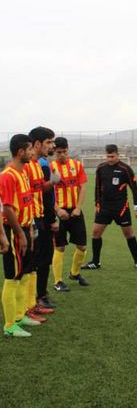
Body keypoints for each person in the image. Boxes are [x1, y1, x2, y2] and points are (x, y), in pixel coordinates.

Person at [82, 144, 137, 271]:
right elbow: (97, 187)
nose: (110, 159)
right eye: (108, 156)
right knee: (95, 233)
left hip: (121, 207)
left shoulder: (125, 169)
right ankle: (95, 262)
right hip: (104, 207)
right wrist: (97, 204)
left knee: (128, 234)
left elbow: (134, 188)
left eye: (112, 156)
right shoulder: (101, 168)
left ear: (118, 155)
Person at [0, 134, 39, 337]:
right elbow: (7, 208)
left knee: (24, 273)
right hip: (13, 230)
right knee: (12, 276)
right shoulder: (8, 175)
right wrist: (19, 234)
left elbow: (26, 202)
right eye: (30, 149)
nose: (32, 152)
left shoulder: (23, 172)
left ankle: (19, 314)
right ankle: (9, 326)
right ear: (21, 152)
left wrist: (30, 228)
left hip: (25, 229)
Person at [26, 126, 59, 313]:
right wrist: (50, 219)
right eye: (49, 142)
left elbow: (41, 191)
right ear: (37, 144)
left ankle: (40, 296)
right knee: (36, 261)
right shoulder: (33, 165)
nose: (52, 145)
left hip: (41, 218)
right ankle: (36, 299)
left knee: (43, 258)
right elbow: (32, 196)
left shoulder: (40, 164)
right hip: (35, 219)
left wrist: (51, 183)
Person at [50, 137, 89, 289]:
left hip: (75, 210)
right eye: (58, 152)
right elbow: (46, 193)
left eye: (64, 151)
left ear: (68, 150)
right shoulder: (50, 167)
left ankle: (74, 273)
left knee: (82, 246)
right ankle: (58, 281)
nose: (61, 155)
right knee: (60, 247)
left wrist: (78, 207)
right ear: (54, 152)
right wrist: (58, 209)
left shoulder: (77, 165)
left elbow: (82, 188)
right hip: (58, 212)